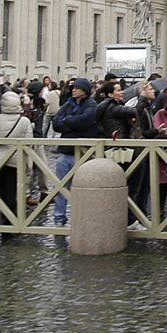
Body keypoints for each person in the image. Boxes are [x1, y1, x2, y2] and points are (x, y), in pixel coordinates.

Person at [49, 77, 102, 227]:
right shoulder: (68, 104)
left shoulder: (92, 105)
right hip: (66, 150)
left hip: (84, 152)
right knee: (61, 185)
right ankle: (59, 217)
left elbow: (84, 121)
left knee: (84, 186)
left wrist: (67, 120)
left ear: (84, 91)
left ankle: (83, 215)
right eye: (73, 88)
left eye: (76, 88)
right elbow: (56, 123)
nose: (73, 90)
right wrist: (71, 121)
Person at [0, 89, 33, 232]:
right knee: (12, 189)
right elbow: (29, 142)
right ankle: (8, 220)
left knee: (0, 186)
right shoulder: (24, 121)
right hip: (16, 159)